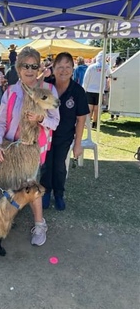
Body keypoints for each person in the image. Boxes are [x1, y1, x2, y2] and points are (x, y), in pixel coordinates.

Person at [0, 46, 60, 246]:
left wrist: (41, 119)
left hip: (32, 148)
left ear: (39, 67)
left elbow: (55, 121)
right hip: (11, 146)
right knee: (10, 182)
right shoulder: (11, 91)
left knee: (31, 184)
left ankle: (40, 224)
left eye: (34, 66)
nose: (29, 70)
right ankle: (6, 219)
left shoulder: (47, 91)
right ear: (18, 67)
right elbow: (2, 121)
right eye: (25, 66)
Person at [40, 52, 90, 211]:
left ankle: (59, 194)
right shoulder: (46, 85)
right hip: (45, 135)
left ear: (73, 69)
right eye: (60, 67)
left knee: (59, 166)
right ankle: (45, 192)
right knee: (46, 165)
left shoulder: (78, 91)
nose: (63, 70)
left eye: (68, 67)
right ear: (53, 68)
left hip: (64, 136)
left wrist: (78, 144)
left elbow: (81, 119)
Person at [83, 51, 110, 129]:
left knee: (89, 107)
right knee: (97, 108)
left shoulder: (91, 67)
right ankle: (95, 123)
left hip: (89, 90)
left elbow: (86, 79)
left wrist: (84, 89)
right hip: (100, 91)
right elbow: (110, 75)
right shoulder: (106, 67)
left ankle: (87, 123)